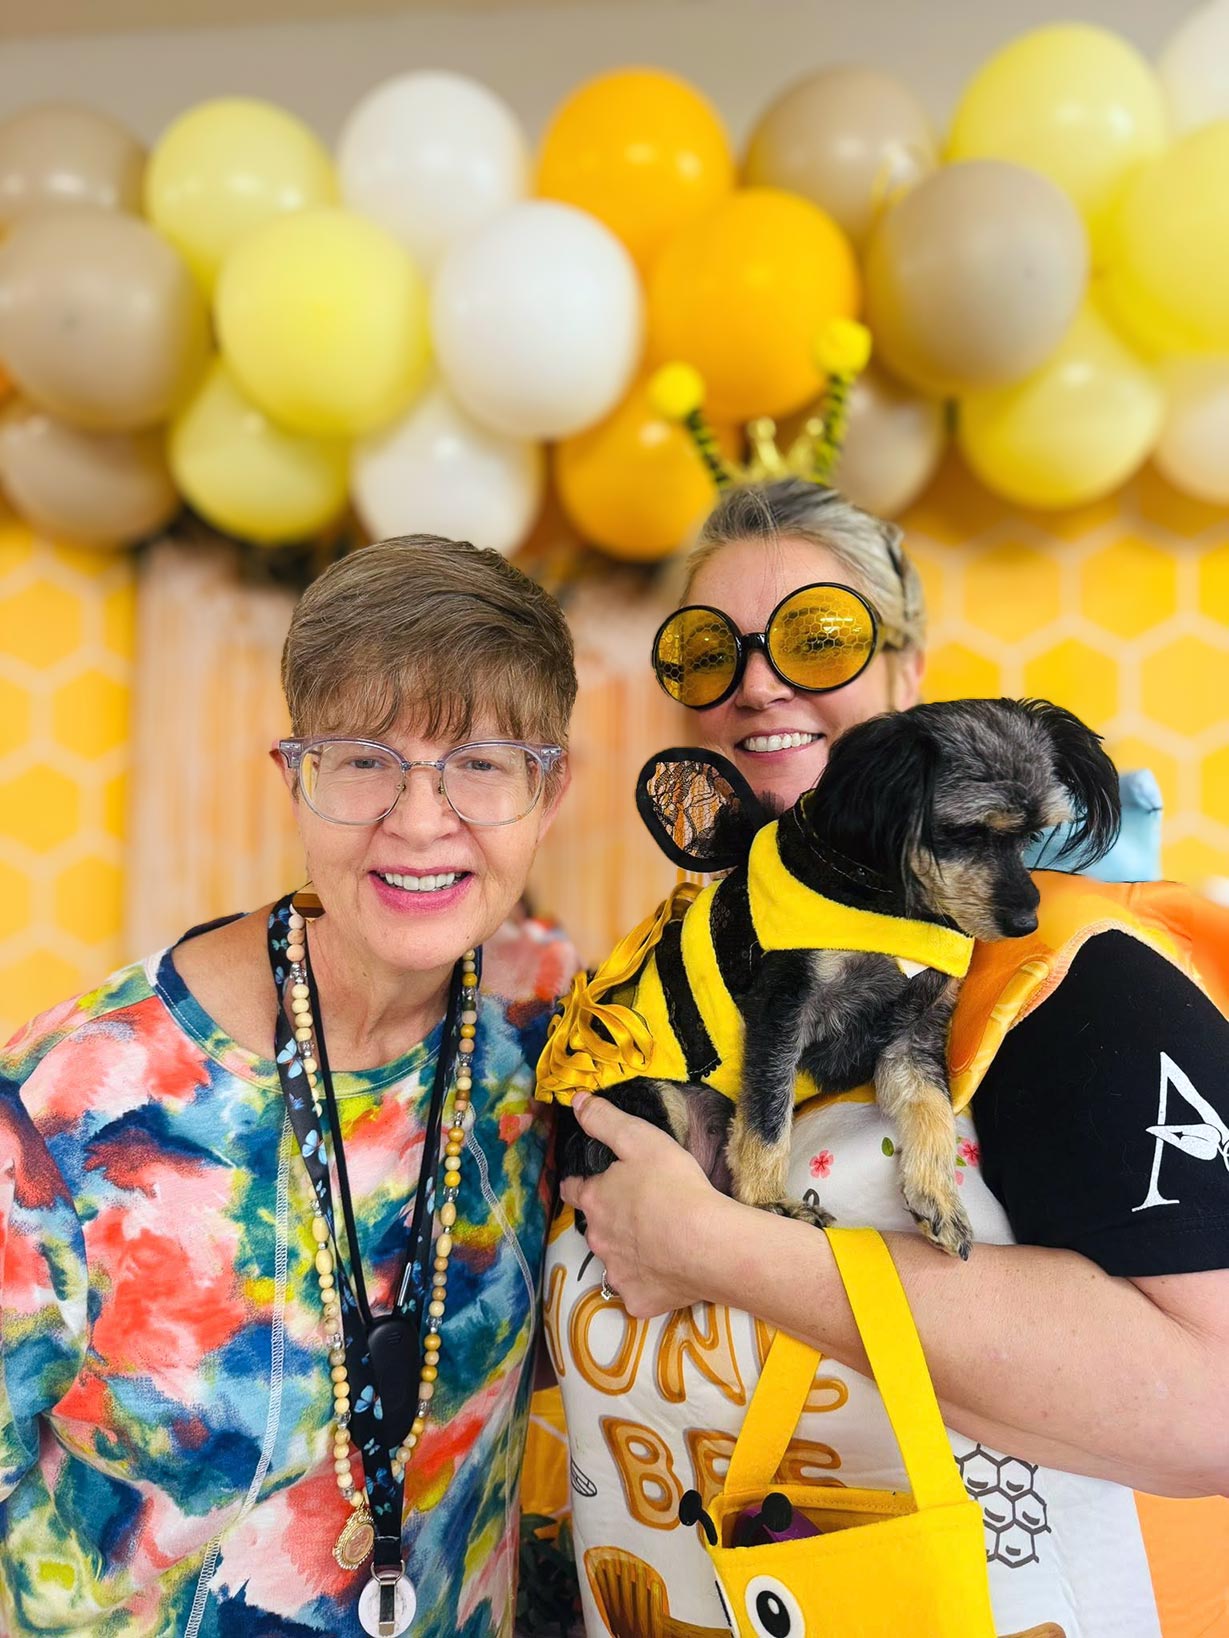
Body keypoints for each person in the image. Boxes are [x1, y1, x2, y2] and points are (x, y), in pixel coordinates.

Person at [546, 479, 1229, 1638]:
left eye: (818, 638)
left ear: (906, 679)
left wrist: (714, 1247)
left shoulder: (1063, 975)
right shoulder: (667, 982)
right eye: (711, 652)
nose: (757, 684)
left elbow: (1210, 1406)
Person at [0, 536, 578, 1638]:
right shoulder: (62, 1110)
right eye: (362, 760)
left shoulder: (552, 1029)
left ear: (546, 793)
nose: (418, 821)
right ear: (293, 778)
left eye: (481, 763)